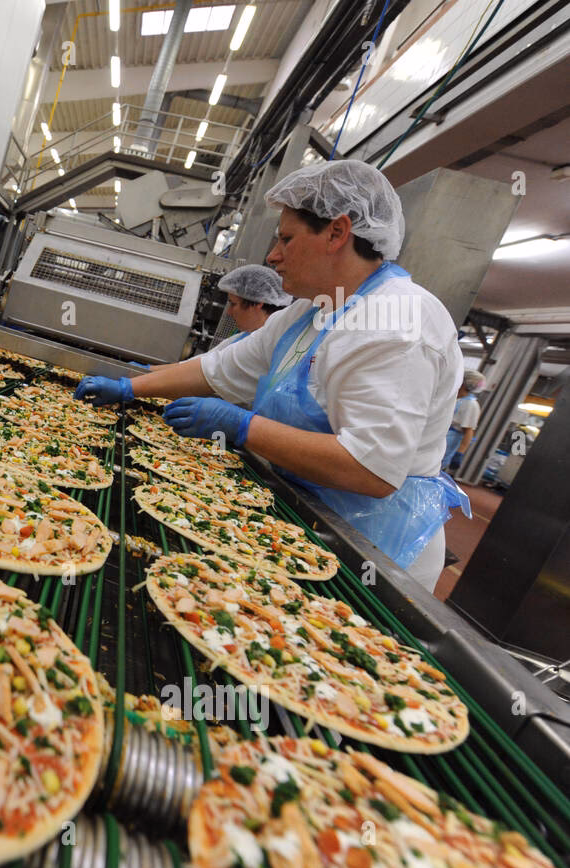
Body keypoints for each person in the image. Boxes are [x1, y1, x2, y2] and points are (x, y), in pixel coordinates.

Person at [74, 159, 468, 589]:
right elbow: (219, 369)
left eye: (286, 238)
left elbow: (369, 470)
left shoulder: (398, 321)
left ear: (337, 233)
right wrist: (130, 386)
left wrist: (241, 426)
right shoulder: (310, 310)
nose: (273, 256)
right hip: (306, 511)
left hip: (374, 545)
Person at [141, 264, 290, 372]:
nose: (229, 312)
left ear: (257, 304)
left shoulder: (272, 347)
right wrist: (145, 370)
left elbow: (203, 372)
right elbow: (197, 364)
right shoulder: (242, 338)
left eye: (233, 304)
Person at [443, 370, 486, 470]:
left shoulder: (471, 405)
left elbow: (469, 431)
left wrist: (460, 453)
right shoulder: (456, 398)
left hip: (449, 441)